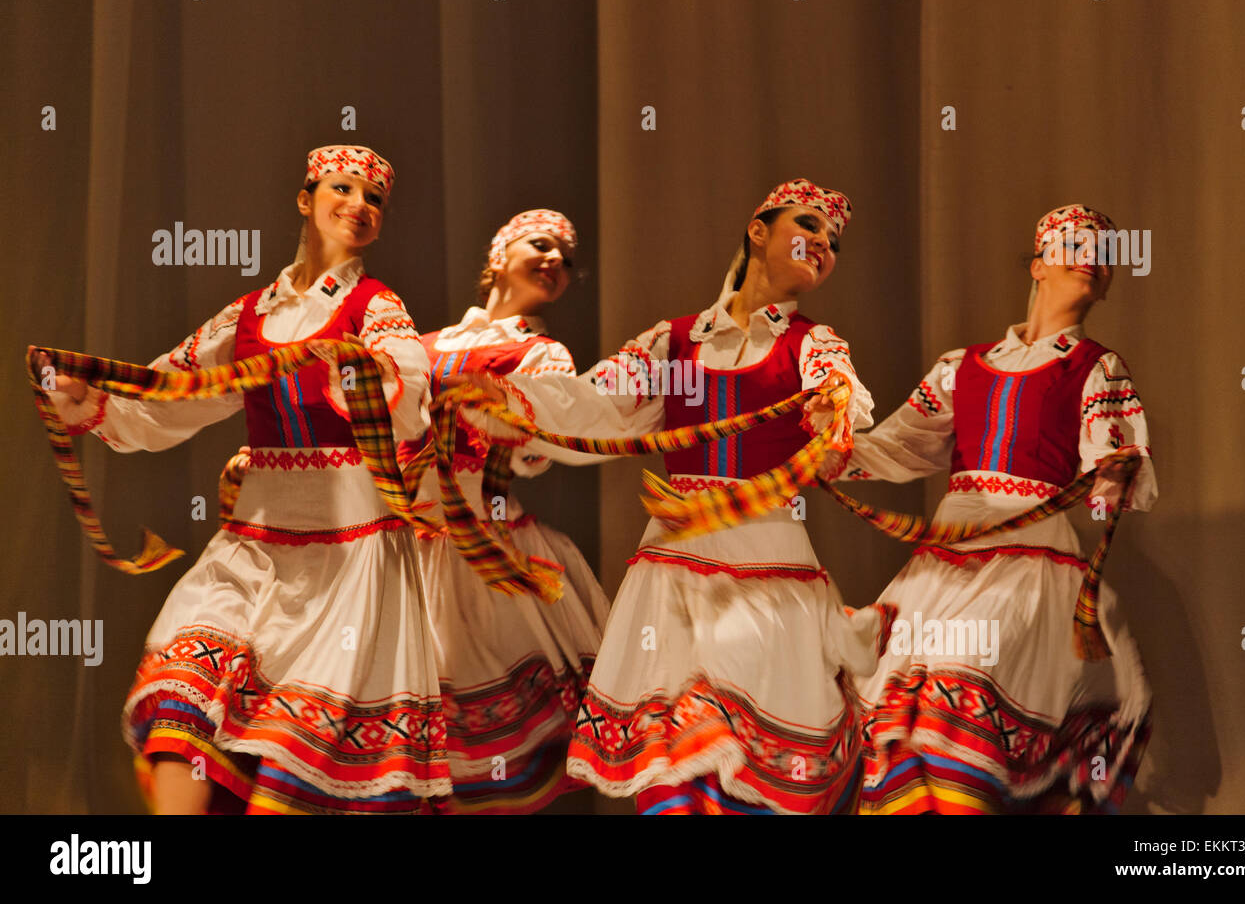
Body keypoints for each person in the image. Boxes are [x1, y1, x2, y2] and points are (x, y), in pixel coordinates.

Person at [36, 145, 447, 813]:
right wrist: (93, 393)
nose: (360, 206)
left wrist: (356, 377)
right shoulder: (252, 314)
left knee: (297, 762)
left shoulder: (377, 308)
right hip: (255, 545)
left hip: (351, 556)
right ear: (305, 198)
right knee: (184, 698)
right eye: (343, 188)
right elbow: (175, 392)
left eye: (374, 200)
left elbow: (408, 404)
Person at [465, 179, 890, 814]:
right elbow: (596, 404)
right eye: (809, 224)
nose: (824, 243)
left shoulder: (814, 346)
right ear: (758, 230)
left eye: (833, 241)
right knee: (674, 770)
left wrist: (834, 414)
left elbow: (837, 418)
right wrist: (511, 400)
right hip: (672, 569)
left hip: (766, 566)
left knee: (746, 764)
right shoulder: (677, 343)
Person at [842, 203, 1155, 814]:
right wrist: (823, 450)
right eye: (1074, 244)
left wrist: (1116, 468)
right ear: (1038, 263)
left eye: (1105, 254)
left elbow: (1112, 470)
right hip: (949, 561)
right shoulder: (963, 367)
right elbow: (898, 445)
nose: (1091, 258)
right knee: (909, 726)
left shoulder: (1096, 368)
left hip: (1029, 561)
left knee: (964, 694)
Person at [398, 209, 608, 813]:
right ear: (497, 258)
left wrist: (504, 412)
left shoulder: (542, 355)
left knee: (489, 757)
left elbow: (533, 455)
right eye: (541, 245)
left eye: (566, 261)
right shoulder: (423, 346)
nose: (555, 263)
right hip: (411, 548)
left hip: (488, 551)